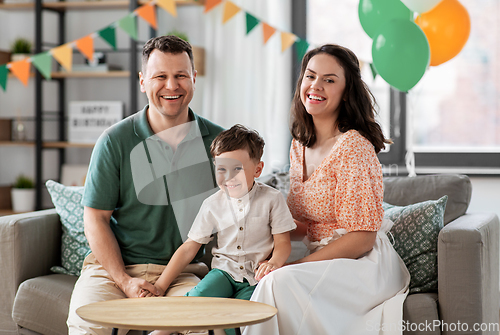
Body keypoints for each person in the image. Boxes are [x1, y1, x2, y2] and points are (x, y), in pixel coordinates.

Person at [242, 44, 410, 335]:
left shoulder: (354, 147)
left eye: (329, 80)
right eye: (310, 76)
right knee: (261, 275)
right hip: (323, 256)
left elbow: (362, 239)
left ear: (346, 92)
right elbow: (305, 224)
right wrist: (255, 228)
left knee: (278, 282)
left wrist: (299, 264)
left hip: (363, 264)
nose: (315, 86)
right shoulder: (299, 144)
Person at [67, 35, 224, 335]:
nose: (171, 86)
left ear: (194, 78)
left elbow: (239, 211)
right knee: (86, 327)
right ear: (142, 81)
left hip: (183, 273)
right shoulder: (114, 140)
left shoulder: (220, 143)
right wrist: (124, 281)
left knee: (204, 329)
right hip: (112, 272)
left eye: (180, 75)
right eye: (160, 76)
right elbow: (95, 219)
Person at [141, 124, 297, 335]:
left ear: (258, 169)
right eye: (221, 169)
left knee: (241, 321)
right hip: (223, 271)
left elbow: (282, 243)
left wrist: (273, 263)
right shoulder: (212, 204)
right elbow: (189, 247)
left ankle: (219, 327)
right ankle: (163, 330)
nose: (228, 177)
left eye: (237, 169)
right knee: (197, 298)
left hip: (255, 278)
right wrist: (160, 286)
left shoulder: (272, 199)